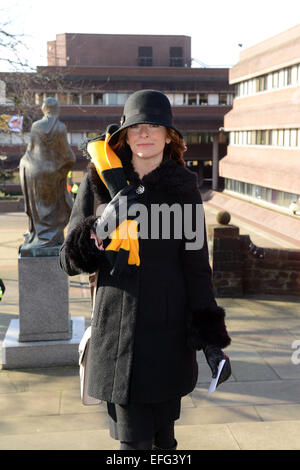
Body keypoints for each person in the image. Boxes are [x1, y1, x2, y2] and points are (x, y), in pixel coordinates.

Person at [59, 90, 231, 451]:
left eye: (155, 126)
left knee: (164, 442)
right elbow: (68, 262)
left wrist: (212, 344)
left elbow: (198, 269)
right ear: (124, 134)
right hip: (118, 338)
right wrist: (101, 228)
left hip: (168, 340)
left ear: (170, 136)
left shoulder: (183, 190)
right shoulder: (99, 181)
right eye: (136, 127)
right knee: (133, 445)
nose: (145, 134)